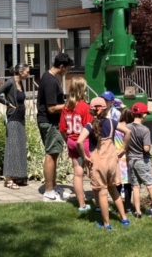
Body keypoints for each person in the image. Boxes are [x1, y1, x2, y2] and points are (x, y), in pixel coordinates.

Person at [77, 97, 131, 230]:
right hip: (112, 162)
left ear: (92, 111)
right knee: (114, 190)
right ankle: (124, 219)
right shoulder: (112, 123)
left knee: (102, 192)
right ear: (106, 109)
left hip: (98, 163)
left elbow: (79, 142)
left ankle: (106, 224)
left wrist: (84, 157)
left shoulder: (89, 126)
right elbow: (128, 131)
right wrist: (123, 148)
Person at [37, 52, 73, 202]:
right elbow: (51, 108)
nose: (68, 72)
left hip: (51, 122)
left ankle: (53, 185)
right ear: (62, 66)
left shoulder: (49, 77)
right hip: (50, 122)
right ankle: (49, 192)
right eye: (68, 69)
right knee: (51, 154)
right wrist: (70, 105)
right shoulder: (50, 82)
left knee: (55, 153)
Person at [0, 63, 31, 190]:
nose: (28, 74)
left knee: (19, 147)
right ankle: (8, 180)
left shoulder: (20, 84)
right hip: (13, 119)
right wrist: (7, 103)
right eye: (27, 72)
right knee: (12, 148)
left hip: (20, 119)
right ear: (20, 71)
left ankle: (17, 176)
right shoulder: (10, 82)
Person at [59, 76, 93, 211]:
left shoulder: (66, 107)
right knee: (92, 172)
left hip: (71, 141)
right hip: (84, 142)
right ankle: (99, 202)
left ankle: (81, 204)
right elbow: (90, 127)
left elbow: (62, 128)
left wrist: (67, 140)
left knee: (78, 174)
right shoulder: (85, 107)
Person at [126, 102, 152, 219]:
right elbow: (146, 148)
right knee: (150, 186)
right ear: (144, 115)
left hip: (131, 159)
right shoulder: (145, 130)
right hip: (143, 160)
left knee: (135, 186)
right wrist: (149, 147)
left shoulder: (127, 127)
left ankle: (137, 212)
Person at [100, 91, 132, 213]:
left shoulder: (116, 114)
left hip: (117, 150)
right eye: (102, 99)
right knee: (116, 177)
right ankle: (119, 203)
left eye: (106, 100)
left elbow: (121, 132)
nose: (103, 102)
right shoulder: (101, 112)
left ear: (111, 102)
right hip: (108, 149)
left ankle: (124, 205)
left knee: (121, 178)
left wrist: (123, 148)